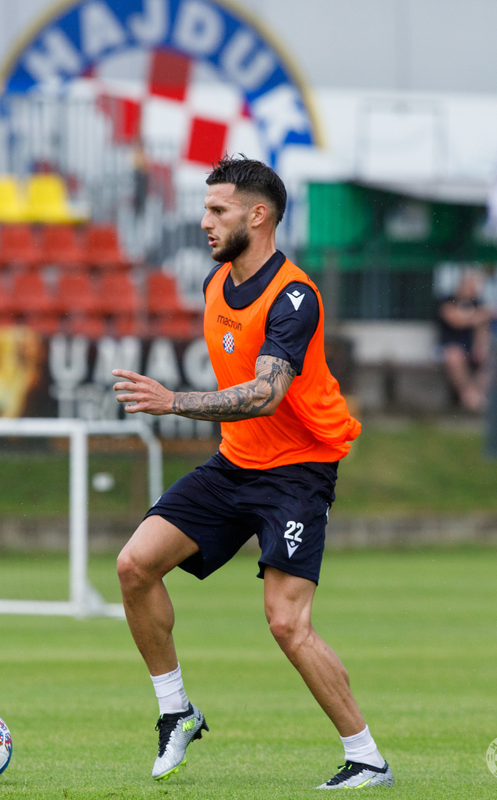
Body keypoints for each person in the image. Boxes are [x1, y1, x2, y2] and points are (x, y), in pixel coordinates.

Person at [111, 155, 392, 790]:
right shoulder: (216, 284)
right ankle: (176, 711)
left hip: (297, 474)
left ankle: (366, 756)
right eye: (205, 208)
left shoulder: (295, 297)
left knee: (286, 622)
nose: (204, 222)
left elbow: (266, 393)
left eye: (218, 211)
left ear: (257, 216)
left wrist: (174, 401)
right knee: (134, 566)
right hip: (235, 463)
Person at [436, 270, 492, 412]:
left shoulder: (478, 303)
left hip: (471, 348)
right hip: (450, 347)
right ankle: (469, 395)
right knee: (454, 356)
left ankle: (475, 395)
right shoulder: (447, 300)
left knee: (491, 359)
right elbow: (454, 320)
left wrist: (481, 346)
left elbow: (483, 329)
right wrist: (477, 316)